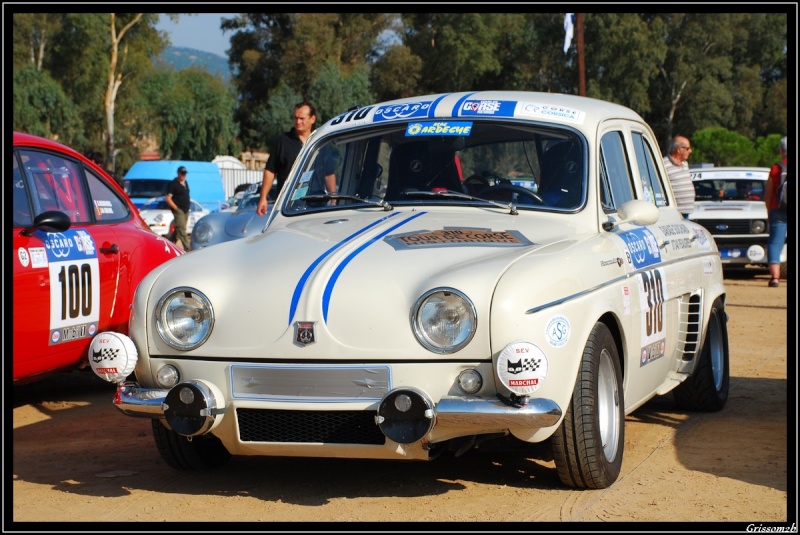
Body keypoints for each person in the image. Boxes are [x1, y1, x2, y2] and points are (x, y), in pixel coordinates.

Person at [256, 101, 318, 216]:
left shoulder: (319, 142)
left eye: (302, 118)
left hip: (316, 204)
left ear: (312, 119)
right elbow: (270, 170)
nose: (298, 122)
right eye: (296, 118)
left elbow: (328, 173)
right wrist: (263, 198)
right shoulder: (283, 141)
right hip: (287, 206)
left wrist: (333, 199)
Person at [764, 136, 787, 288]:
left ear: (781, 150)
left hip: (778, 208)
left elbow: (769, 192)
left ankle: (775, 278)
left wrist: (768, 208)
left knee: (775, 242)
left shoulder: (776, 168)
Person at [663, 135, 695, 218]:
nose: (690, 151)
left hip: (686, 212)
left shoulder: (685, 164)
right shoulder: (664, 164)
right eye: (687, 148)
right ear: (679, 149)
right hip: (674, 213)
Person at [165, 165, 192, 251]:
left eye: (185, 174)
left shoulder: (186, 183)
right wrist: (176, 208)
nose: (183, 175)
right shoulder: (173, 184)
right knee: (182, 229)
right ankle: (188, 249)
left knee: (178, 229)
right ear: (178, 173)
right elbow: (168, 198)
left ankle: (170, 243)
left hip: (186, 210)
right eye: (182, 173)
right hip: (178, 210)